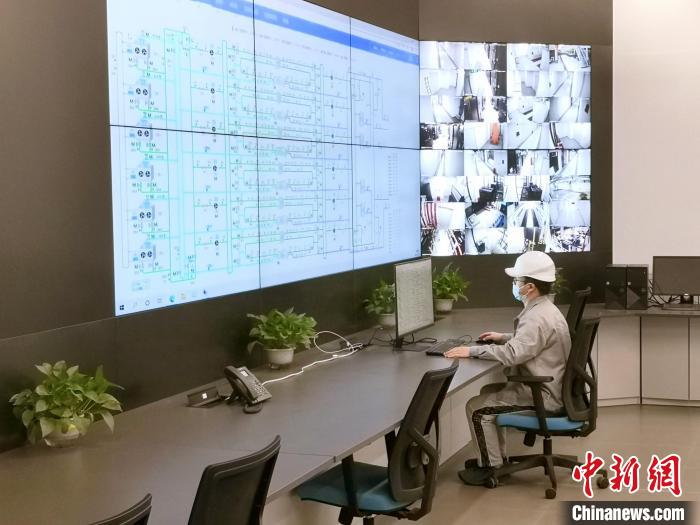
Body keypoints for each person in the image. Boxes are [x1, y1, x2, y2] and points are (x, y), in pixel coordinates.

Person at [444, 251, 571, 485]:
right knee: (487, 393)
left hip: (544, 396)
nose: (514, 285)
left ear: (529, 287)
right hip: (554, 389)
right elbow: (533, 341)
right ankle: (497, 459)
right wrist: (503, 337)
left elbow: (513, 355)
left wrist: (472, 351)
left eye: (516, 281)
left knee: (476, 409)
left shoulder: (536, 317)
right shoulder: (546, 310)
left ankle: (490, 469)